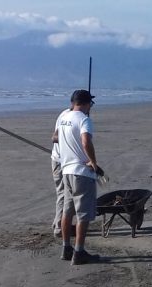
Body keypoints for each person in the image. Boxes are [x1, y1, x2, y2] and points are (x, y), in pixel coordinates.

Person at [57, 89, 100, 265]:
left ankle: (66, 248)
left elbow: (56, 138)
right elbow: (85, 141)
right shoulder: (84, 119)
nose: (91, 107)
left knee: (67, 211)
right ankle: (79, 252)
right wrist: (93, 162)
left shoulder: (63, 118)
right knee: (83, 214)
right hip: (81, 172)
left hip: (66, 171)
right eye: (91, 103)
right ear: (86, 103)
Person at [50, 104, 71, 237]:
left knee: (63, 193)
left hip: (60, 159)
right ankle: (59, 227)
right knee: (64, 193)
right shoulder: (69, 116)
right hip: (62, 160)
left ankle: (58, 223)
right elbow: (55, 138)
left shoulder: (65, 115)